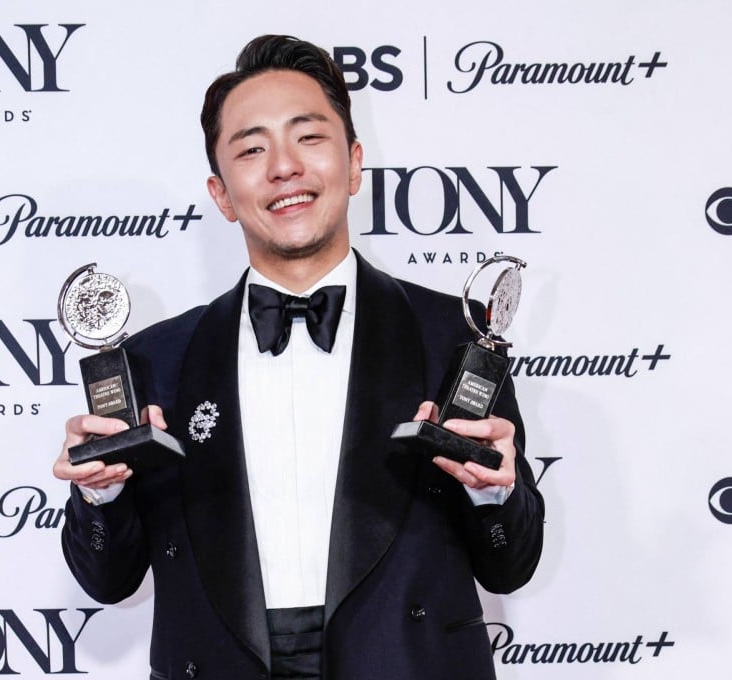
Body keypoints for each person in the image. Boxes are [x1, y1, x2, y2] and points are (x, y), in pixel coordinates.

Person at [54, 34, 544, 680]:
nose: (284, 167)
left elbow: (511, 564)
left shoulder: (451, 337)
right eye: (252, 149)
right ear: (222, 194)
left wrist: (495, 494)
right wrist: (101, 494)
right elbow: (108, 580)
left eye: (308, 137)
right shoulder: (157, 360)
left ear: (355, 162)